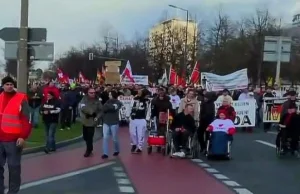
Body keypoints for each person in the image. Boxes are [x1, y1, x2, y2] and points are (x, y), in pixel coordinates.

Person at [0, 76, 32, 194]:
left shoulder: (21, 99)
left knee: (14, 168)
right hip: (0, 139)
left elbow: (26, 120)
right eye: (7, 84)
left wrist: (23, 136)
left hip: (13, 140)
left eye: (11, 84)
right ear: (3, 86)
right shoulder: (0, 97)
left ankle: (13, 191)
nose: (9, 86)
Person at [79, 87, 103, 157]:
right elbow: (82, 107)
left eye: (94, 93)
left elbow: (101, 110)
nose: (93, 94)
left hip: (92, 121)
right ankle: (89, 147)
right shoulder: (84, 99)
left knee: (90, 137)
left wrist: (97, 117)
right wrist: (91, 112)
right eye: (91, 93)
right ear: (88, 93)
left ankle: (89, 150)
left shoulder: (97, 100)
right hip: (85, 120)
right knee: (85, 137)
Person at [102, 91, 123, 159]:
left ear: (113, 95)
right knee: (105, 138)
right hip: (106, 122)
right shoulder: (107, 102)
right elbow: (104, 109)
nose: (109, 96)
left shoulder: (118, 102)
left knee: (114, 138)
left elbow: (113, 108)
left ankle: (117, 150)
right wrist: (108, 107)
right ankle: (105, 153)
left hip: (114, 122)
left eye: (110, 94)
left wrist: (107, 106)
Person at [129, 89, 149, 153]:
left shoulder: (147, 101)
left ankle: (139, 147)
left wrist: (148, 119)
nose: (139, 93)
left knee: (141, 134)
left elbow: (148, 110)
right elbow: (130, 107)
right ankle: (134, 144)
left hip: (142, 119)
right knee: (132, 133)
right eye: (138, 92)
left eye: (140, 92)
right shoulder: (134, 99)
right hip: (133, 119)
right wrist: (129, 116)